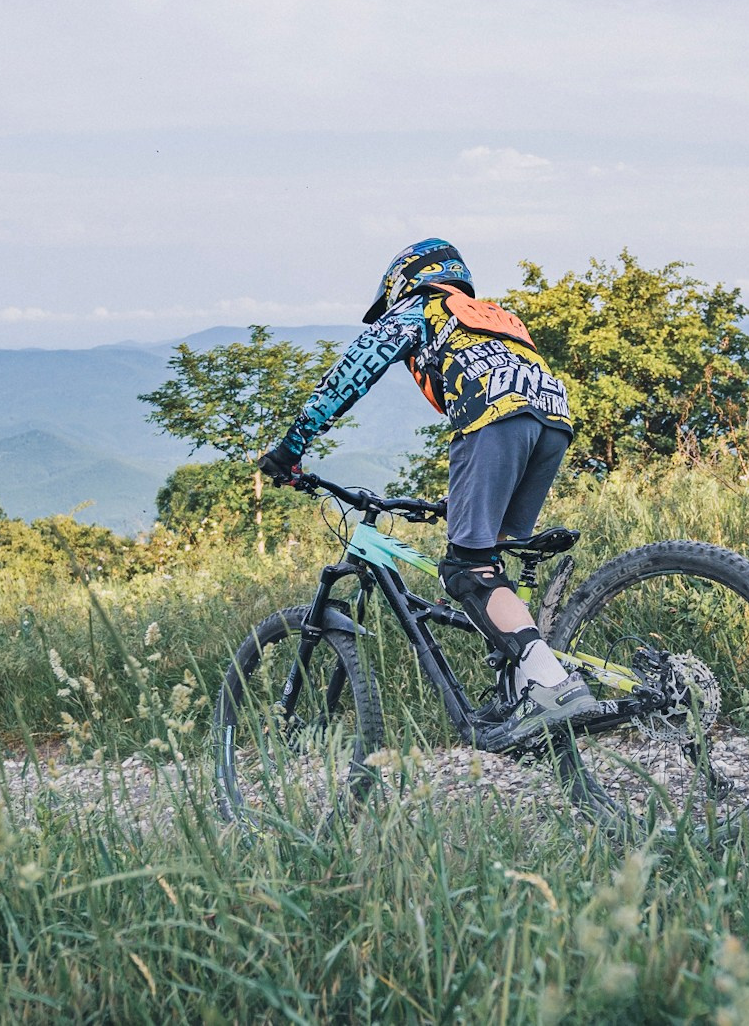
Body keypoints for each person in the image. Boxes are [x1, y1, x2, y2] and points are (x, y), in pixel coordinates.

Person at [258, 238, 608, 752]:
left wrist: (292, 446)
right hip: (553, 421)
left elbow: (352, 372)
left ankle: (550, 684)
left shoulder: (423, 307)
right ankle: (517, 692)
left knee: (467, 572)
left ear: (405, 280)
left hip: (494, 416)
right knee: (490, 556)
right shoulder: (494, 315)